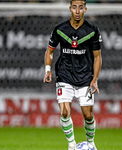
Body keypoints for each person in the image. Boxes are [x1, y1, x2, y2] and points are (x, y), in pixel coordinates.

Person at [43, 0, 102, 149]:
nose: (77, 11)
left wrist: (95, 79)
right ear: (70, 8)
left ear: (85, 9)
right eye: (74, 7)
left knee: (88, 115)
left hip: (85, 77)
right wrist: (48, 69)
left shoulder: (92, 31)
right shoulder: (60, 29)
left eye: (80, 8)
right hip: (65, 75)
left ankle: (91, 144)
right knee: (64, 112)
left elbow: (97, 57)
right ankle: (71, 145)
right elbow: (50, 51)